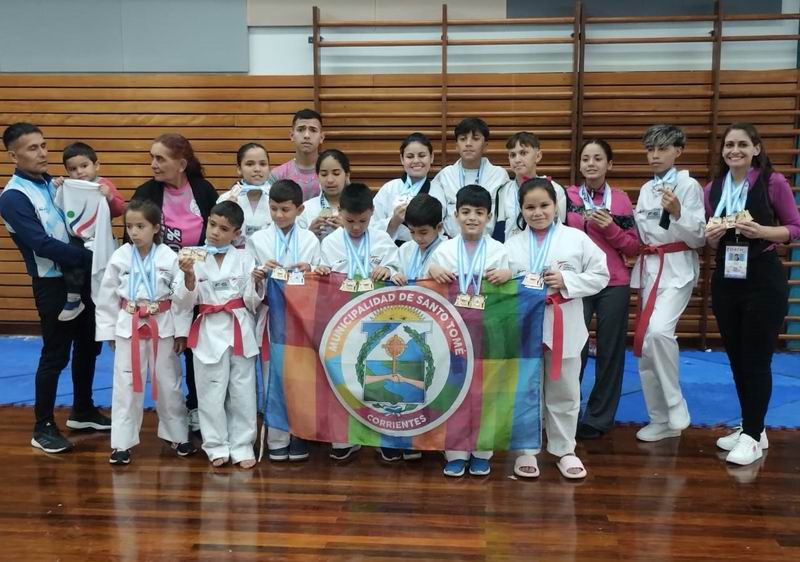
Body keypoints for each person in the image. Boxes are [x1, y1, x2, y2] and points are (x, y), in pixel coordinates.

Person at [0, 122, 110, 454]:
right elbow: (40, 243)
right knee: (55, 354)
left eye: (44, 145)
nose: (43, 152)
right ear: (12, 154)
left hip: (82, 276)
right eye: (33, 148)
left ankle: (83, 409)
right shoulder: (13, 197)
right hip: (53, 285)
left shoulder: (54, 183)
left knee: (90, 345)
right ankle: (42, 425)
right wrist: (90, 259)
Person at [704, 123, 800, 466]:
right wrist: (712, 236)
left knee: (757, 360)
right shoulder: (713, 188)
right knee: (736, 359)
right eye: (729, 145)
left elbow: (794, 228)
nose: (735, 151)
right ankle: (753, 428)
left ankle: (753, 434)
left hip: (763, 274)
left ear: (756, 149)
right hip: (727, 278)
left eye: (743, 144)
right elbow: (710, 237)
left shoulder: (772, 182)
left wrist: (761, 230)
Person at [506, 178, 609, 479]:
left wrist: (568, 282)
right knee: (526, 389)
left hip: (564, 320)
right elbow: (499, 283)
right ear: (521, 209)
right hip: (524, 325)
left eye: (544, 205)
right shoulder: (511, 245)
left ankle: (565, 449)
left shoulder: (576, 239)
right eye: (529, 207)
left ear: (556, 206)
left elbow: (601, 274)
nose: (537, 212)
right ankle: (526, 449)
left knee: (564, 387)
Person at [130, 133, 219, 432]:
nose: (153, 164)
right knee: (166, 350)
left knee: (196, 345)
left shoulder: (204, 191)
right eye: (151, 158)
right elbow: (135, 240)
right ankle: (170, 414)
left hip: (197, 280)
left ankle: (197, 406)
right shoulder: (145, 194)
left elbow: (220, 235)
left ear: (181, 164)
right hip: (160, 285)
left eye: (160, 159)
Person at [95, 199, 195, 465]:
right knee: (126, 385)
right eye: (130, 226)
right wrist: (107, 332)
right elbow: (106, 296)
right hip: (129, 325)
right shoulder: (120, 256)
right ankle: (121, 443)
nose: (134, 232)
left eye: (141, 226)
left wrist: (181, 332)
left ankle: (177, 435)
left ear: (156, 227)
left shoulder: (169, 257)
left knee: (169, 383)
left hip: (163, 325)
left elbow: (181, 299)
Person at [427, 184, 512, 477]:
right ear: (455, 216)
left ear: (489, 217)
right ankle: (455, 452)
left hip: (489, 333)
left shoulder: (501, 251)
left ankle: (482, 451)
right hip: (453, 334)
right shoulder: (444, 250)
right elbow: (427, 285)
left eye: (479, 212)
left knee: (486, 394)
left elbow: (516, 290)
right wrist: (431, 271)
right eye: (466, 212)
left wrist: (509, 274)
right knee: (454, 392)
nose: (472, 218)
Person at [632, 125, 706, 442]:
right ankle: (659, 419)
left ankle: (676, 403)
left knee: (660, 332)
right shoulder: (647, 189)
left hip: (677, 268)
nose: (655, 155)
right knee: (647, 346)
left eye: (662, 149)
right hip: (650, 267)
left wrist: (678, 212)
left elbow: (699, 237)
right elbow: (641, 232)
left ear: (678, 151)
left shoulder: (689, 186)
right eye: (650, 149)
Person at [316, 182, 401, 461]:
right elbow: (320, 279)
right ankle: (343, 438)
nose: (356, 227)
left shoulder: (381, 240)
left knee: (381, 379)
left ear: (372, 213)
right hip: (342, 323)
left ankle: (385, 438)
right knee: (342, 378)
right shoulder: (328, 243)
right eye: (350, 221)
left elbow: (400, 273)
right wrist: (324, 272)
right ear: (339, 213)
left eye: (362, 221)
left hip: (378, 323)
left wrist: (387, 269)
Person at [177, 201, 261, 468]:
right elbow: (183, 301)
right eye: (212, 224)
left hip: (239, 327)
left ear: (236, 233)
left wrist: (257, 281)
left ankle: (243, 443)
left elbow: (252, 301)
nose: (214, 232)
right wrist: (189, 275)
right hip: (208, 328)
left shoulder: (246, 256)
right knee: (210, 390)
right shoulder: (191, 255)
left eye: (223, 229)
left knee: (242, 389)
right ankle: (215, 444)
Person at [565, 139, 640, 440]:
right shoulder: (568, 196)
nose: (591, 164)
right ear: (580, 164)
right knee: (573, 349)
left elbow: (634, 246)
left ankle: (598, 418)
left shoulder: (620, 200)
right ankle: (568, 411)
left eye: (598, 158)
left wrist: (609, 227)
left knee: (610, 352)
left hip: (613, 283)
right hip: (577, 282)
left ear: (610, 164)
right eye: (586, 159)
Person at [247, 179, 321, 462]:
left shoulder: (311, 240)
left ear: (300, 209)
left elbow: (320, 277)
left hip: (302, 320)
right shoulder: (258, 240)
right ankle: (277, 437)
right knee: (273, 377)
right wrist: (257, 277)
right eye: (274, 209)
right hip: (271, 318)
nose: (279, 215)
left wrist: (310, 270)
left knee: (301, 379)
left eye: (286, 210)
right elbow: (250, 287)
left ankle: (299, 434)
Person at [55, 141, 126, 321]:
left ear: (96, 165)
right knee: (70, 261)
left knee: (105, 272)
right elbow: (58, 204)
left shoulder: (104, 184)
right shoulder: (69, 185)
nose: (79, 172)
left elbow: (120, 209)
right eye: (72, 169)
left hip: (101, 237)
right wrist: (58, 185)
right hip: (78, 236)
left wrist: (109, 196)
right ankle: (73, 297)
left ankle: (108, 302)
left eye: (84, 166)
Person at [429, 118, 509, 238]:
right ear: (456, 146)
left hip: (489, 245)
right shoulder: (445, 175)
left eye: (475, 139)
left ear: (485, 146)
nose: (468, 143)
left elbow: (503, 217)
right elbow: (435, 214)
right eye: (463, 139)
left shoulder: (499, 175)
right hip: (451, 245)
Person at [496, 131, 567, 241]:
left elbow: (561, 228)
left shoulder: (555, 189)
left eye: (523, 153)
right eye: (512, 155)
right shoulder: (503, 191)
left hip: (545, 252)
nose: (517, 160)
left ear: (538, 156)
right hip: (512, 253)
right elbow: (500, 230)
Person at [372, 133, 435, 246]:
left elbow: (441, 230)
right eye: (410, 156)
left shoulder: (437, 191)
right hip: (389, 253)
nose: (416, 161)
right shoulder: (389, 189)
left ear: (431, 157)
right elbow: (371, 226)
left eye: (422, 155)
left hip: (425, 252)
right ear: (402, 159)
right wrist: (393, 222)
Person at [216, 142, 272, 247]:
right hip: (235, 259)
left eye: (263, 164)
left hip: (270, 260)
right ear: (239, 169)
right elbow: (215, 237)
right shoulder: (225, 199)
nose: (257, 169)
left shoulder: (278, 198)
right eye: (250, 164)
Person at [267, 108, 325, 201]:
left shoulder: (332, 174)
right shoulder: (277, 176)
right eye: (301, 129)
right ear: (292, 135)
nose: (307, 135)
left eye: (313, 130)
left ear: (321, 137)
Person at [297, 149, 349, 240]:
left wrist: (350, 231)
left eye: (336, 173)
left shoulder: (359, 207)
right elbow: (295, 245)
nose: (330, 180)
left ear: (347, 175)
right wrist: (309, 233)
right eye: (324, 174)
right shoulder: (306, 208)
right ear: (318, 177)